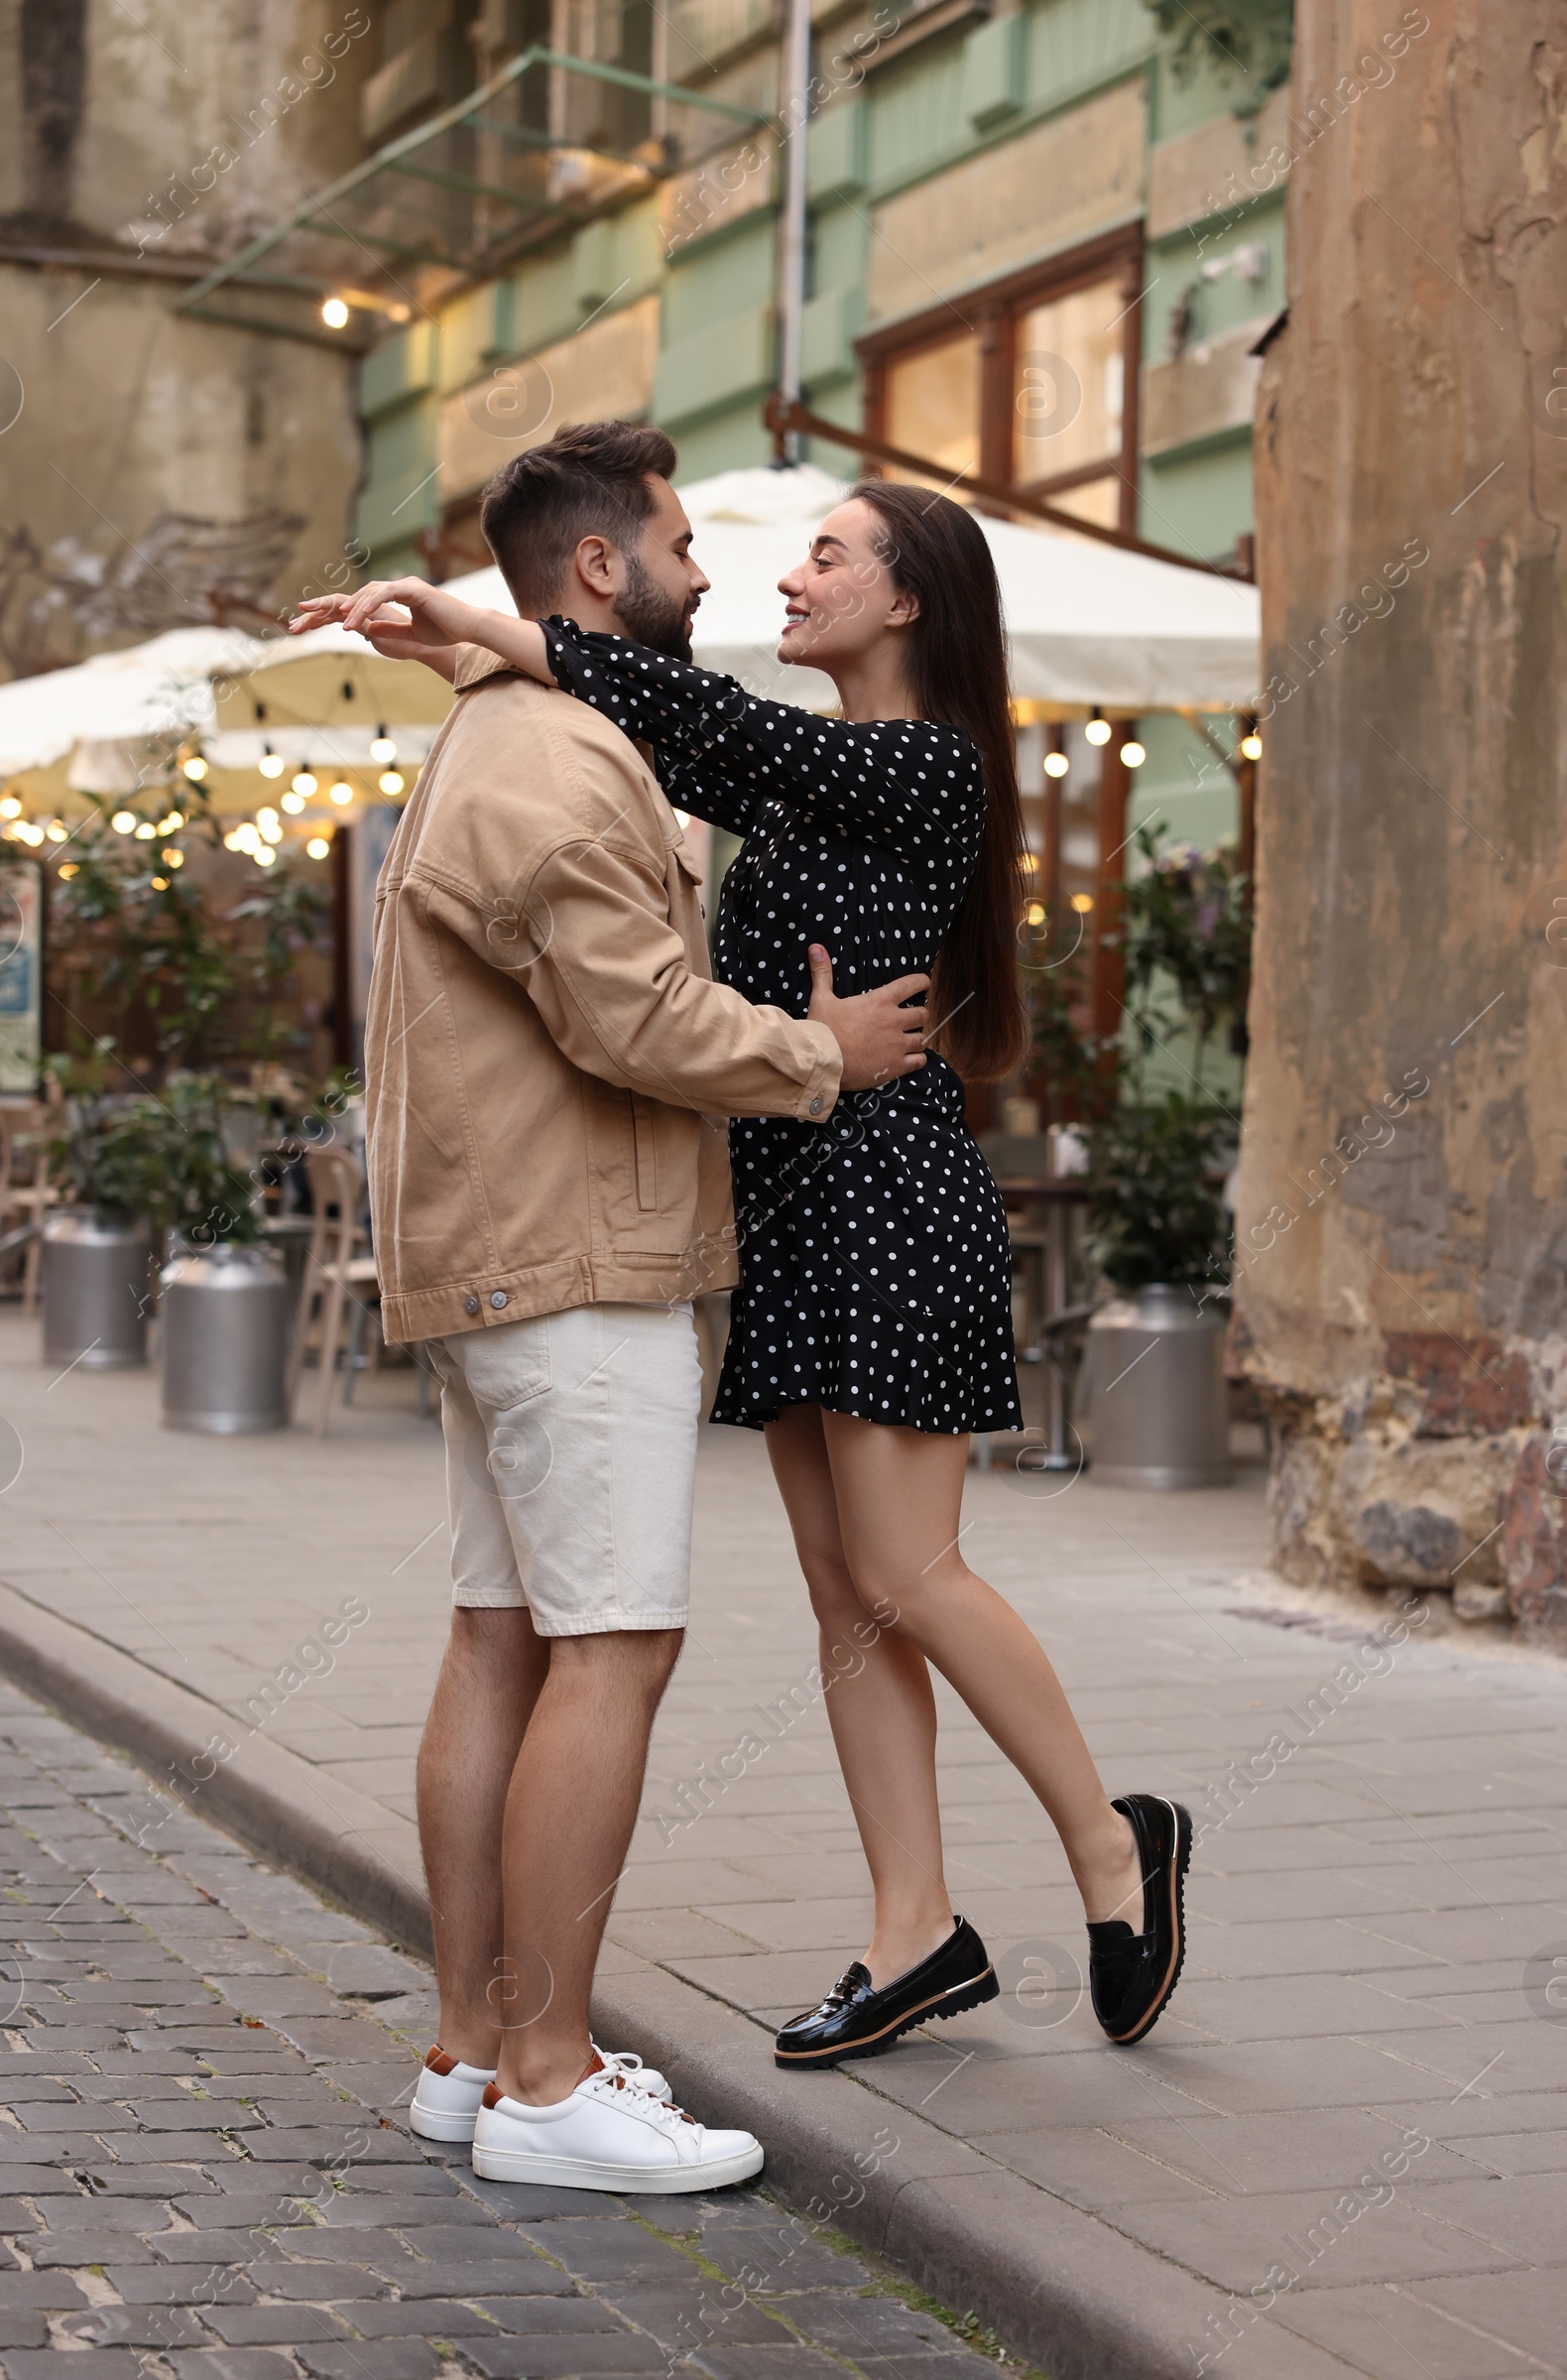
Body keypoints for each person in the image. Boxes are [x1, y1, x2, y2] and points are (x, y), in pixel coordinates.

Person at [301, 438, 1191, 2073]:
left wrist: (476, 615)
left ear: (907, 600)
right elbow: (639, 720)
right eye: (766, 553)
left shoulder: (930, 770)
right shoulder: (795, 772)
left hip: (887, 1190)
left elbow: (686, 710)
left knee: (913, 1572)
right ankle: (913, 1928)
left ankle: (1113, 1847)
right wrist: (466, 646)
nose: (780, 576)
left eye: (826, 558)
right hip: (785, 1194)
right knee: (844, 1596)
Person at [299, 423, 933, 2188]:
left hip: (509, 1258)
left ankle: (472, 2049)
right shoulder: (560, 756)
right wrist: (826, 1052)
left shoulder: (507, 731)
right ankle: (555, 2080)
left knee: (502, 1639)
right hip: (575, 1267)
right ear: (599, 568)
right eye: (675, 539)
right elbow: (636, 1019)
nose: (707, 570)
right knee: (615, 1650)